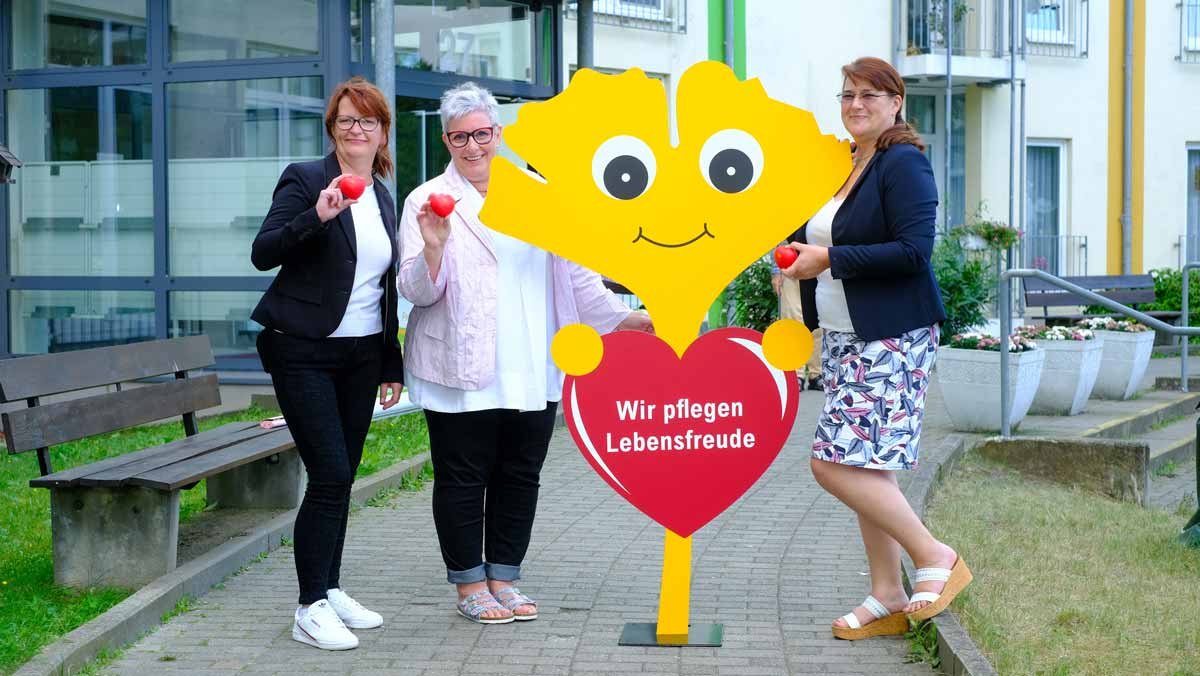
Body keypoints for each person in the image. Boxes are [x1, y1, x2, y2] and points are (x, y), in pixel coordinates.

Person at [398, 82, 653, 624]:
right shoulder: (424, 200)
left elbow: (579, 276)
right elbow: (416, 291)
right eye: (460, 136)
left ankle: (504, 578)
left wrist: (627, 319)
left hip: (533, 359)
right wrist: (435, 247)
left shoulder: (539, 193)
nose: (473, 147)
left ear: (498, 134)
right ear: (446, 140)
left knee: (521, 473)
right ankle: (469, 586)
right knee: (463, 475)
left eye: (482, 134)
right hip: (459, 365)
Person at [779, 57, 971, 640]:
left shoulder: (903, 162)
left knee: (830, 463)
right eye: (847, 94)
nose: (855, 104)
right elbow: (819, 233)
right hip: (845, 333)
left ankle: (936, 555)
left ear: (895, 103)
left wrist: (830, 259)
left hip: (891, 335)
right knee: (866, 465)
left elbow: (914, 251)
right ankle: (887, 592)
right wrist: (790, 254)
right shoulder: (845, 163)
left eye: (869, 94)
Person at [251, 77, 404, 651]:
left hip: (361, 355)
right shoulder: (307, 179)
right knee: (332, 474)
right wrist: (314, 216)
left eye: (366, 121)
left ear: (382, 131)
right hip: (302, 351)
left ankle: (330, 587)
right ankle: (308, 606)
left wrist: (392, 363)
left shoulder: (384, 196)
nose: (356, 130)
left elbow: (384, 289)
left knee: (342, 477)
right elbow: (263, 253)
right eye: (345, 121)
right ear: (332, 130)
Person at [772, 232, 823, 391]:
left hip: (819, 265)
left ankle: (817, 374)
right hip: (789, 265)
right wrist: (776, 271)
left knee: (819, 320)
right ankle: (796, 374)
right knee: (793, 319)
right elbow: (777, 239)